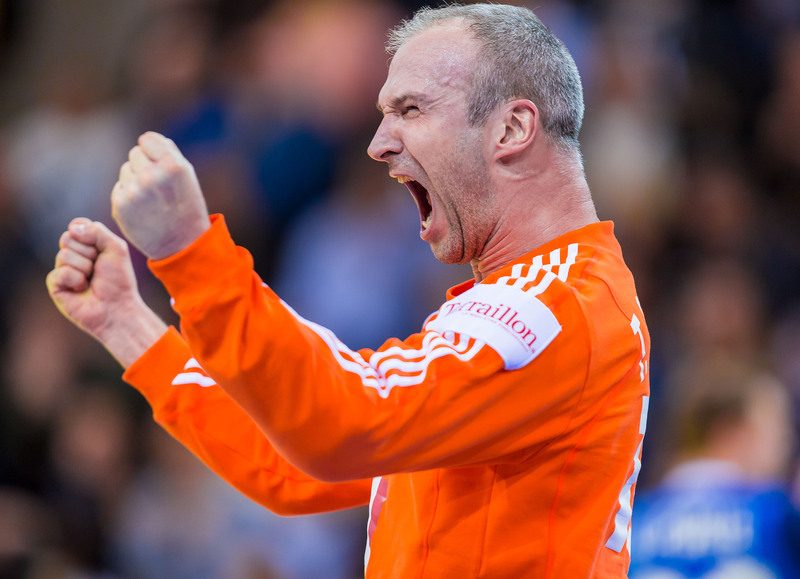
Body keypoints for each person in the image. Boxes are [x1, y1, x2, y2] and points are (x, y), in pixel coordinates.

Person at [46, 4, 650, 577]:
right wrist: (129, 326)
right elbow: (291, 464)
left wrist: (192, 255)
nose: (378, 144)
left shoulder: (558, 305)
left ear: (512, 128)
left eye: (411, 109)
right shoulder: (550, 299)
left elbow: (341, 423)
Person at [629, 362, 800, 579]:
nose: (787, 444)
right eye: (777, 429)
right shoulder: (778, 515)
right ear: (733, 433)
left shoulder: (632, 519)